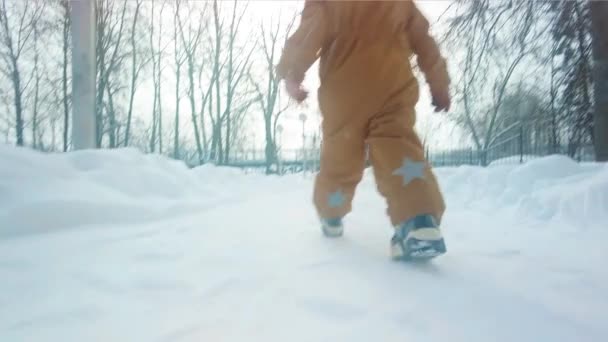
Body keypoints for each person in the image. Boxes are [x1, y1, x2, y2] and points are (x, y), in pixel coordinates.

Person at [276, 0, 451, 261]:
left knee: (341, 156)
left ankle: (331, 212)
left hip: (344, 92)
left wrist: (292, 72)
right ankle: (418, 220)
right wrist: (440, 86)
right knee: (398, 148)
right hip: (392, 87)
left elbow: (310, 31)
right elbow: (425, 43)